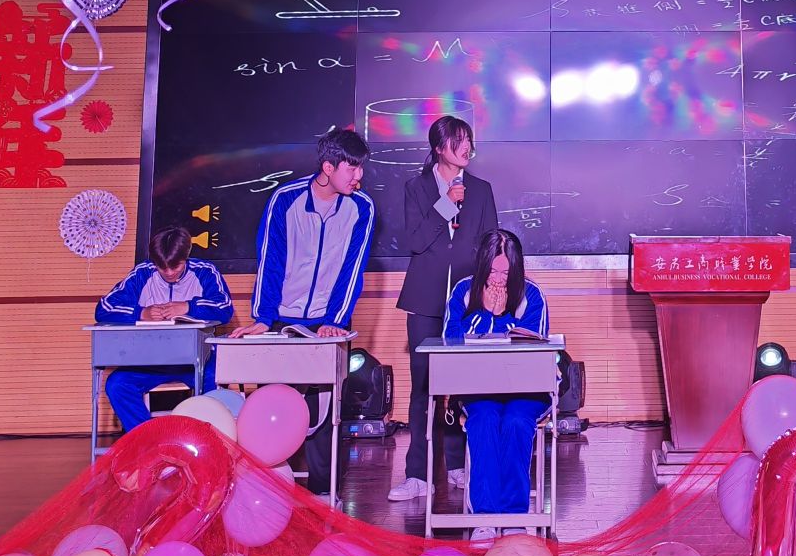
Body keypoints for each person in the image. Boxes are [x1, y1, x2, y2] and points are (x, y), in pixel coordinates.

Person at [234, 128, 376, 495]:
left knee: (324, 413)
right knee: (273, 409)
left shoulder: (362, 208)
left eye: (361, 168)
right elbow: (270, 261)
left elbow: (352, 270)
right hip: (283, 320)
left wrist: (335, 321)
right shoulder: (286, 200)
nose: (359, 176)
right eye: (351, 168)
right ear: (328, 167)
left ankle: (324, 497)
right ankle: (264, 494)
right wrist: (263, 318)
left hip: (328, 324)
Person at [390, 116, 498, 504]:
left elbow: (491, 245)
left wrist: (488, 293)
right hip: (424, 299)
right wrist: (445, 204)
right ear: (439, 148)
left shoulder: (481, 190)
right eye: (457, 140)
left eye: (468, 139)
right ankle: (417, 474)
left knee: (463, 385)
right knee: (422, 386)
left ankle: (457, 465)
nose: (466, 147)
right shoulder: (416, 188)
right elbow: (415, 241)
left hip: (467, 302)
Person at [445, 229, 550, 542]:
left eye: (506, 272)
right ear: (482, 265)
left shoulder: (532, 295)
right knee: (485, 420)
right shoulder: (463, 290)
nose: (499, 279)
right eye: (493, 271)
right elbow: (451, 338)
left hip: (526, 390)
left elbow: (532, 341)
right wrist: (485, 314)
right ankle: (486, 517)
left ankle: (514, 515)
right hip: (479, 387)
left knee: (516, 422)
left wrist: (501, 316)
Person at [94, 224, 234, 433]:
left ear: (186, 256)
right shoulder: (142, 273)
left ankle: (204, 439)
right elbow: (103, 309)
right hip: (149, 362)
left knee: (215, 377)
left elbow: (224, 309)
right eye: (162, 267)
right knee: (117, 385)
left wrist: (189, 307)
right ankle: (151, 439)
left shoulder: (205, 272)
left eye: (175, 266)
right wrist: (141, 313)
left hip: (197, 361)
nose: (168, 272)